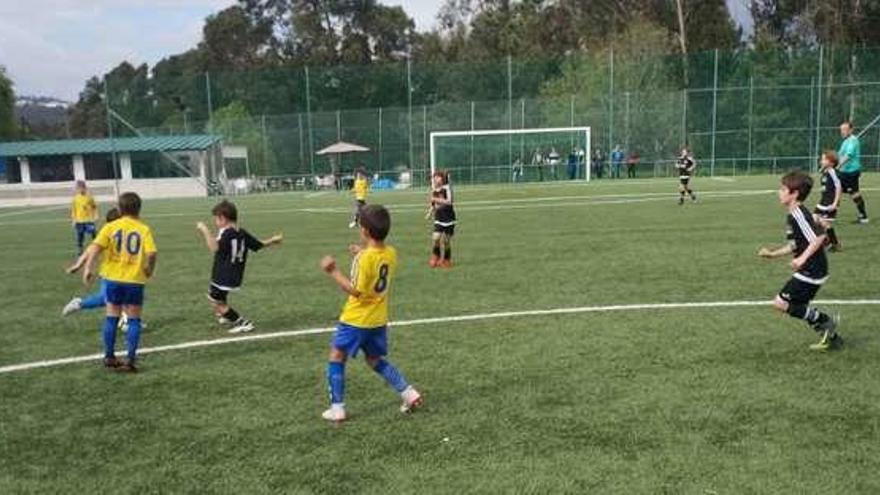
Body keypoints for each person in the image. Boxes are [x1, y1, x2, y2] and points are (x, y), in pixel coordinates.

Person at [319, 204, 423, 423]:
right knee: (375, 359)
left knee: (337, 356)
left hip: (356, 319)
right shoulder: (391, 253)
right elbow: (376, 263)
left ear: (364, 231)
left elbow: (355, 290)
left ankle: (337, 408)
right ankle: (408, 392)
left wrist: (333, 271)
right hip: (378, 320)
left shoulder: (363, 259)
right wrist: (362, 252)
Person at [758, 171, 842, 351]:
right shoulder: (794, 214)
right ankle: (831, 336)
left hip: (812, 270)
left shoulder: (797, 214)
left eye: (783, 189)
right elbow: (795, 244)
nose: (779, 192)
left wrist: (802, 258)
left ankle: (825, 321)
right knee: (797, 306)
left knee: (781, 303)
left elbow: (818, 238)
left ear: (794, 193)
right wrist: (772, 255)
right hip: (812, 268)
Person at [80, 192, 157, 372]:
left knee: (111, 317)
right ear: (139, 208)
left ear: (120, 208)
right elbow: (152, 253)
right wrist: (149, 269)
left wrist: (87, 268)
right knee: (133, 320)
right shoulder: (143, 229)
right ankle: (130, 361)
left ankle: (109, 357)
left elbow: (95, 248)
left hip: (113, 279)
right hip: (134, 280)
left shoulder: (110, 227)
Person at [197, 200, 283, 334]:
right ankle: (224, 316)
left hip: (223, 275)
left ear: (223, 218)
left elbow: (214, 247)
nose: (215, 222)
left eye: (216, 219)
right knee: (217, 296)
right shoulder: (241, 232)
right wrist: (273, 240)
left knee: (215, 300)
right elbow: (257, 245)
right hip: (234, 274)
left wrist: (204, 230)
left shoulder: (226, 233)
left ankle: (242, 322)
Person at [837, 121, 869, 223]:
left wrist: (838, 166)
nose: (842, 132)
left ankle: (863, 217)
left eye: (845, 129)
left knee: (854, 194)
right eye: (841, 130)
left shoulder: (853, 141)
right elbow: (840, 155)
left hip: (850, 172)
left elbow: (848, 156)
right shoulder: (845, 141)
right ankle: (829, 215)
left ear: (851, 130)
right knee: (835, 191)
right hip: (843, 172)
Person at [814, 151, 843, 251]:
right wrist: (823, 167)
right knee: (814, 220)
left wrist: (835, 203)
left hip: (830, 201)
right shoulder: (826, 171)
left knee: (824, 223)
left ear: (831, 162)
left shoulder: (833, 172)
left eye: (824, 159)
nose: (821, 161)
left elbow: (839, 187)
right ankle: (826, 241)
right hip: (823, 200)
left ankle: (834, 244)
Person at [428, 170, 456, 268]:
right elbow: (433, 204)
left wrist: (436, 199)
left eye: (437, 177)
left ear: (442, 178)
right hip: (439, 217)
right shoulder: (434, 190)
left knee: (446, 241)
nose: (435, 179)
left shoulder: (447, 188)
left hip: (449, 218)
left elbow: (449, 201)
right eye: (434, 177)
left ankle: (446, 260)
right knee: (435, 237)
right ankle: (436, 256)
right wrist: (430, 212)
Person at [71, 180, 98, 255]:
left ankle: (97, 246)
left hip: (89, 220)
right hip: (79, 221)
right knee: (80, 235)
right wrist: (74, 220)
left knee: (93, 232)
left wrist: (95, 215)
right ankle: (80, 248)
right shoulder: (75, 199)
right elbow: (74, 210)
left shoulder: (89, 197)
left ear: (85, 188)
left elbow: (94, 206)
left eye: (82, 188)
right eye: (78, 188)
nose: (80, 190)